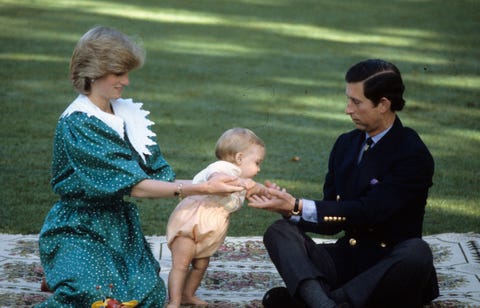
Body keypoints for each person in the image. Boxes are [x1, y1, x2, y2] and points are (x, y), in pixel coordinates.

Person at [37, 26, 244, 307]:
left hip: (119, 226)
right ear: (93, 71)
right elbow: (135, 186)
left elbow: (159, 177)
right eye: (119, 73)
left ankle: (65, 274)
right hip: (78, 225)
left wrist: (214, 181)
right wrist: (202, 187)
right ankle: (66, 270)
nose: (126, 81)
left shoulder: (125, 113)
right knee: (101, 299)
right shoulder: (79, 122)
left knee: (149, 297)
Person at [248, 59, 439, 308]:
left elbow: (369, 211)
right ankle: (323, 303)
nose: (348, 109)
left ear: (383, 104)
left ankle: (315, 300)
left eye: (356, 102)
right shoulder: (346, 144)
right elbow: (331, 220)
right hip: (346, 260)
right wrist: (287, 208)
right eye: (348, 100)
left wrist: (298, 205)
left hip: (389, 267)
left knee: (417, 252)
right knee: (280, 231)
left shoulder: (411, 153)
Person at [165, 127, 267, 308]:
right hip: (192, 221)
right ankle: (174, 300)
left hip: (212, 227)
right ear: (239, 158)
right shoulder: (223, 168)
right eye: (257, 163)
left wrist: (268, 191)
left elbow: (255, 188)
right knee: (181, 263)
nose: (258, 169)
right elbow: (217, 177)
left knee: (201, 263)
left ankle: (188, 294)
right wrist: (241, 182)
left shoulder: (240, 178)